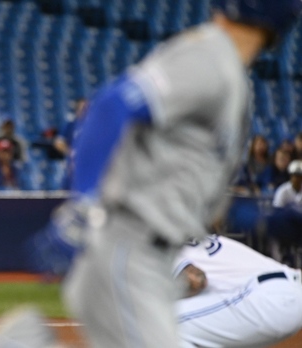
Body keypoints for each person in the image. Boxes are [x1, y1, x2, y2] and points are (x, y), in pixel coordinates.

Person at [59, 2, 302, 348]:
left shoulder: (232, 79)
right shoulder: (209, 56)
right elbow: (111, 105)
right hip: (131, 243)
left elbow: (206, 206)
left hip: (150, 249)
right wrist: (83, 205)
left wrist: (272, 221)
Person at [175, 234, 302, 347]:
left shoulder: (162, 246)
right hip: (279, 293)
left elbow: (196, 280)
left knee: (163, 321)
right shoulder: (184, 237)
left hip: (267, 296)